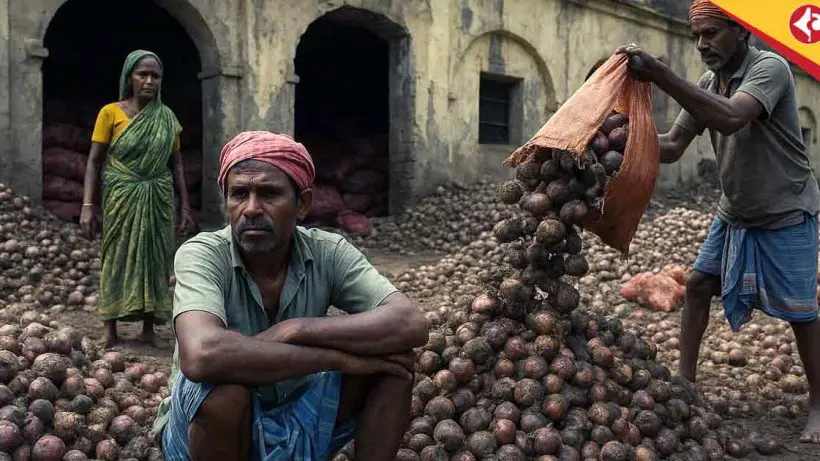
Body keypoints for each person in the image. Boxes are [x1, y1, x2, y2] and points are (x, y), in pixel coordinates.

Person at [151, 130, 429, 461]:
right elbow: (202, 354)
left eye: (269, 194)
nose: (251, 208)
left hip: (297, 417)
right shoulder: (202, 253)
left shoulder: (327, 251)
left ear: (303, 204)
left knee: (395, 362)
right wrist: (333, 359)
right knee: (224, 392)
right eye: (239, 194)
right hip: (209, 433)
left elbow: (409, 321)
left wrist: (294, 329)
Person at [616, 0, 820, 443]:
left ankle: (818, 405)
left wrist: (660, 73)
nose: (702, 44)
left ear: (741, 30)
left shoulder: (772, 69)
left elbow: (730, 118)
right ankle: (685, 383)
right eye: (696, 37)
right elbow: (671, 146)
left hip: (786, 208)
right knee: (697, 286)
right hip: (736, 210)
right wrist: (618, 137)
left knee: (802, 313)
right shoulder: (711, 82)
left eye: (710, 33)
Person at [81, 49, 196, 346]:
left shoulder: (167, 117)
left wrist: (185, 205)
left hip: (158, 196)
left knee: (156, 258)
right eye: (142, 74)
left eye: (155, 76)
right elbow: (94, 161)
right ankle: (110, 328)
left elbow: (177, 163)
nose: (149, 81)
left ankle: (148, 329)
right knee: (115, 255)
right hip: (121, 194)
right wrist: (87, 206)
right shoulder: (110, 112)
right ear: (129, 77)